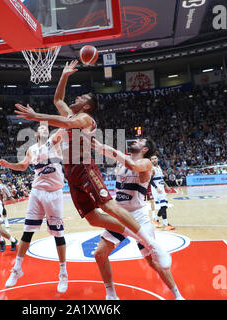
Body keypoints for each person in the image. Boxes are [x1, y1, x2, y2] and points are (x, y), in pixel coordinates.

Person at [14, 59, 170, 268]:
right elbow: (58, 99)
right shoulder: (73, 113)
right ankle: (133, 234)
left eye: (81, 97)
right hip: (71, 172)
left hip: (85, 166)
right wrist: (64, 75)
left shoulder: (86, 118)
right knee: (92, 218)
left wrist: (36, 116)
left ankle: (151, 243)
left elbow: (67, 123)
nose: (76, 97)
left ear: (86, 106)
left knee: (108, 205)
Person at [91, 136, 184, 300]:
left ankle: (177, 294)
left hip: (138, 216)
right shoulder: (122, 159)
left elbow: (132, 164)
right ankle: (111, 294)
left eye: (140, 141)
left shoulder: (146, 163)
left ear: (145, 149)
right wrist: (92, 142)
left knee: (152, 261)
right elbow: (105, 149)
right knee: (100, 254)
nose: (135, 140)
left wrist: (113, 152)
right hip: (119, 214)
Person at [0, 124, 68, 293]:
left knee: (58, 234)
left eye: (46, 128)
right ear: (36, 133)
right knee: (27, 232)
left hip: (54, 193)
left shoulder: (53, 142)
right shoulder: (31, 149)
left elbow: (62, 130)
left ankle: (63, 273)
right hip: (37, 192)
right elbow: (22, 166)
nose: (44, 129)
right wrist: (8, 165)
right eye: (41, 128)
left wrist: (68, 116)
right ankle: (17, 269)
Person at [150, 155, 175, 231]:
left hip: (161, 188)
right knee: (164, 205)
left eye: (155, 158)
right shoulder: (152, 169)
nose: (154, 160)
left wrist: (166, 186)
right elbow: (150, 180)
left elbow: (161, 179)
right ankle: (166, 224)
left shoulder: (159, 167)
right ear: (150, 161)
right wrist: (156, 188)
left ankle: (156, 219)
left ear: (157, 159)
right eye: (152, 159)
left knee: (164, 206)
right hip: (157, 189)